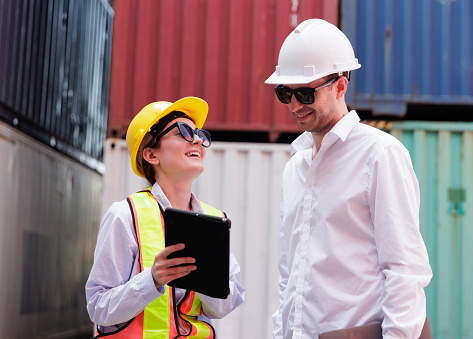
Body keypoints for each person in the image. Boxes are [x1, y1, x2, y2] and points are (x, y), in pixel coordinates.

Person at [265, 19, 432, 339]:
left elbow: (405, 270)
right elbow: (289, 275)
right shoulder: (294, 167)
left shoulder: (380, 155)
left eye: (304, 92)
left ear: (340, 86)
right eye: (285, 93)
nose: (295, 105)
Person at [85, 97, 245, 338]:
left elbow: (222, 308)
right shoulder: (126, 215)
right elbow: (99, 308)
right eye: (184, 132)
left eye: (200, 133)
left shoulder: (214, 221)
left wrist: (208, 278)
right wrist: (152, 279)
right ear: (151, 154)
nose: (199, 140)